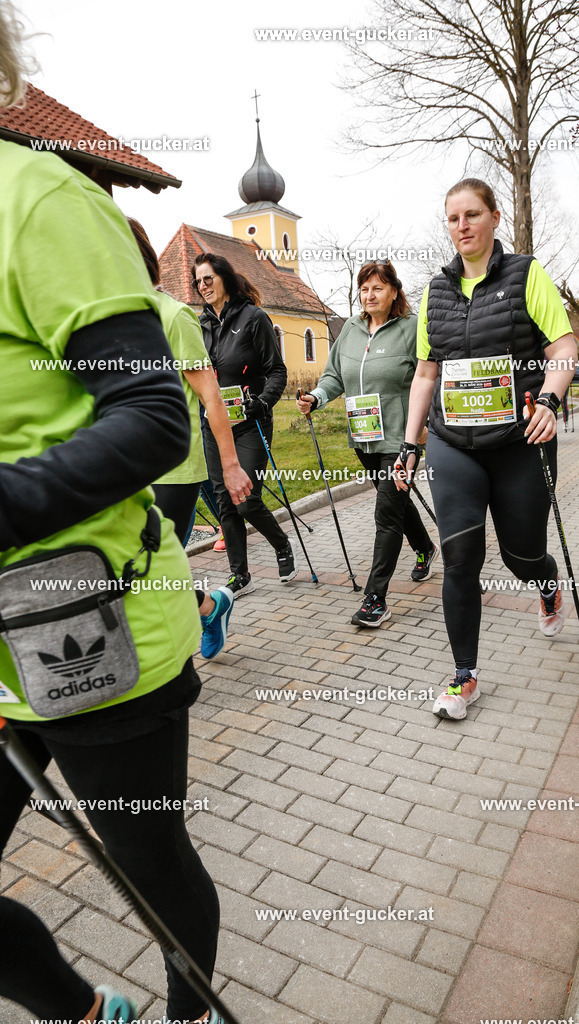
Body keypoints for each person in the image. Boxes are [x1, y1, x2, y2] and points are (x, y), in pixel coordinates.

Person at [0, 7, 224, 1021]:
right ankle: (85, 1014)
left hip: (87, 616)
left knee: (147, 864)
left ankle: (188, 1011)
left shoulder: (35, 197)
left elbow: (149, 412)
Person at [395, 178, 576, 720]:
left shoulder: (526, 274)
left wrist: (549, 400)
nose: (463, 226)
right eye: (453, 219)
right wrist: (410, 443)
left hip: (522, 441)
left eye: (472, 215)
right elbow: (426, 374)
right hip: (455, 443)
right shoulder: (435, 291)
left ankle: (545, 584)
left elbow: (564, 346)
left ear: (495, 217)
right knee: (460, 558)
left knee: (521, 556)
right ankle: (464, 676)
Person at [128, 219, 253, 659]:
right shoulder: (108, 322)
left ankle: (165, 664)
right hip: (125, 469)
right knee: (151, 569)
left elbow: (211, 397)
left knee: (150, 570)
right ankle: (209, 605)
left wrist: (231, 464)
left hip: (174, 468)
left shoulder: (173, 316)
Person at [296, 261, 437, 627]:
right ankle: (424, 548)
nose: (369, 294)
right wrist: (316, 397)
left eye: (377, 288)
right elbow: (333, 377)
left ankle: (376, 598)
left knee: (386, 513)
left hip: (400, 439)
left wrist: (422, 427)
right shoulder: (351, 330)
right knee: (397, 505)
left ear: (394, 292)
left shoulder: (411, 329)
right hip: (365, 437)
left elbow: (430, 376)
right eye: (364, 288)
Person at [193, 254, 296, 596]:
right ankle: (241, 575)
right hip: (212, 425)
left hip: (250, 421)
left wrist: (263, 402)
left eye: (208, 279)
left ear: (224, 278)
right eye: (198, 281)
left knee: (246, 499)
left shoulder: (253, 318)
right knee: (224, 501)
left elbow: (277, 371)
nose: (202, 286)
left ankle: (281, 544)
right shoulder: (199, 325)